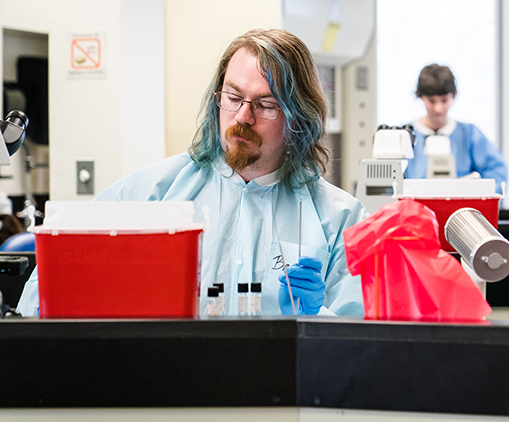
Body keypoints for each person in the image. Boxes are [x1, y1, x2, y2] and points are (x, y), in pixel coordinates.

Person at [18, 29, 365, 317]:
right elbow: (46, 291)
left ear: (298, 118)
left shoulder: (339, 219)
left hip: (285, 393)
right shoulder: (154, 193)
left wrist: (316, 316)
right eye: (233, 97)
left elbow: (360, 345)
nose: (243, 116)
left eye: (265, 105)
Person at [404, 64, 507, 191]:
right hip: (414, 209)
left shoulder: (469, 134)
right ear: (420, 97)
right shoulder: (404, 135)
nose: (438, 108)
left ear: (453, 96)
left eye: (444, 100)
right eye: (431, 101)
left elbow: (496, 172)